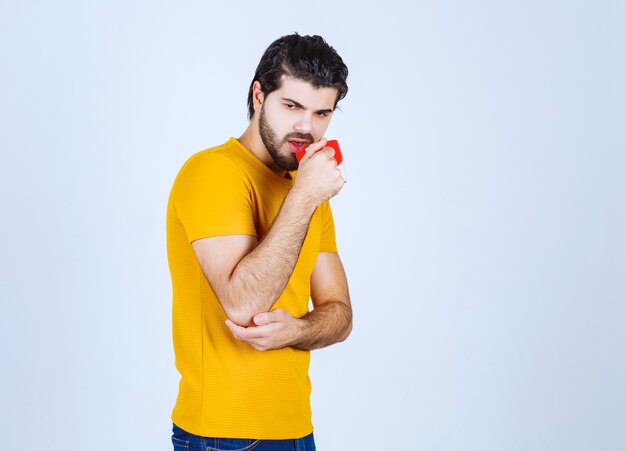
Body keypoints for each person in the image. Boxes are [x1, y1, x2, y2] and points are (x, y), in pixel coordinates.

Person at [166, 33, 352, 451]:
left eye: (322, 113)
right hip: (223, 435)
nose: (307, 127)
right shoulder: (212, 173)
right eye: (292, 106)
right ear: (258, 96)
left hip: (296, 430)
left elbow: (340, 314)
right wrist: (304, 195)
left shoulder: (307, 191)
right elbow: (243, 303)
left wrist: (298, 329)